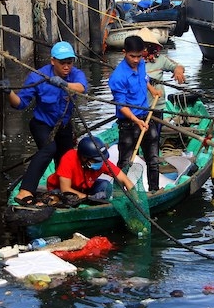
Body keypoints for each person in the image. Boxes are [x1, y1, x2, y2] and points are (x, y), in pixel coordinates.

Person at [4, 41, 88, 206]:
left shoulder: (75, 74)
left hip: (64, 126)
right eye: (62, 63)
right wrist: (8, 93)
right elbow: (20, 104)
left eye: (69, 63)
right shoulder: (38, 77)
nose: (66, 67)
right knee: (49, 149)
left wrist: (64, 84)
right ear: (52, 61)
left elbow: (81, 88)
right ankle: (25, 191)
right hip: (42, 124)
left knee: (66, 158)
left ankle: (63, 190)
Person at [108, 35, 163, 192]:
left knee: (153, 159)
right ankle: (120, 194)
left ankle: (154, 190)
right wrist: (135, 120)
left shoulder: (141, 65)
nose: (136, 60)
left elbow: (144, 79)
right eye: (132, 56)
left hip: (146, 117)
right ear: (124, 52)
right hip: (128, 123)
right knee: (125, 161)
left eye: (139, 56)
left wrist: (152, 89)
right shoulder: (118, 77)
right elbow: (121, 105)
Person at [46, 136, 134, 201]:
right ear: (84, 158)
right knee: (57, 198)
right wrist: (88, 198)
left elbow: (124, 179)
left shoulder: (101, 161)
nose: (100, 163)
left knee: (105, 185)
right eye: (96, 161)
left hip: (85, 187)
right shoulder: (69, 158)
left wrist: (136, 199)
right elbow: (65, 189)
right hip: (60, 189)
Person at [136, 27, 185, 126]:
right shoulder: (132, 62)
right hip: (137, 107)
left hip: (156, 106)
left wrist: (178, 72)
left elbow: (178, 66)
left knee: (154, 136)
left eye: (146, 46)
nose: (143, 49)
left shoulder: (160, 60)